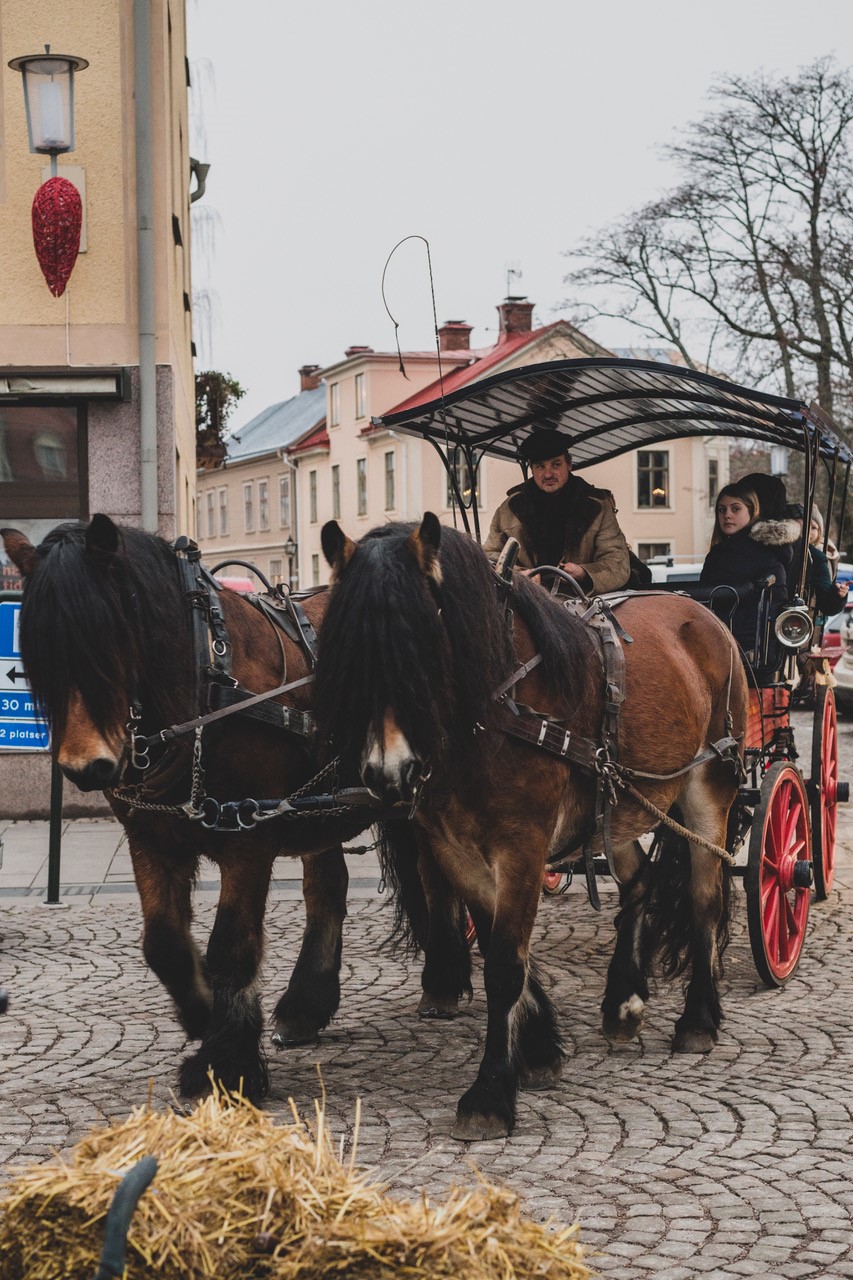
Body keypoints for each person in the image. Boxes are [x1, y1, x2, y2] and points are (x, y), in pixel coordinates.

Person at [482, 428, 632, 594]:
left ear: (569, 464)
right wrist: (520, 576)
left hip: (583, 602)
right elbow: (489, 558)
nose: (548, 474)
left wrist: (583, 573)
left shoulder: (597, 506)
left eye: (556, 464)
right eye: (540, 466)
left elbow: (617, 563)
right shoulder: (509, 509)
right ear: (532, 469)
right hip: (528, 601)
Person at [700, 481, 794, 655]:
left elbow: (773, 603)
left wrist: (744, 647)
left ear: (752, 512)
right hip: (717, 642)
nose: (727, 515)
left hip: (749, 651)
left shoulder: (765, 552)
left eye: (735, 509)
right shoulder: (717, 554)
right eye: (722, 510)